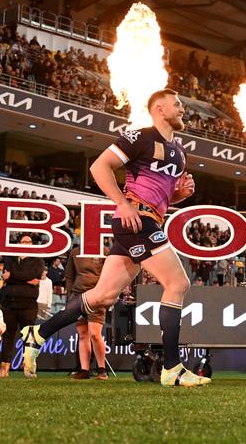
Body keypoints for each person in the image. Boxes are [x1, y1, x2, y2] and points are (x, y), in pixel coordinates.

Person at [21, 89, 210, 387]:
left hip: (146, 219)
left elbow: (161, 196)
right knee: (178, 283)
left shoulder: (179, 152)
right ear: (159, 109)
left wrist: (180, 195)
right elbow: (100, 166)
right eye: (177, 105)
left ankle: (38, 332)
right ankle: (172, 368)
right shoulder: (141, 137)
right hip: (136, 219)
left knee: (102, 296)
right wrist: (121, 203)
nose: (183, 110)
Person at [0, 234, 44, 378]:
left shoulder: (38, 260)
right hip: (9, 303)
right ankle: (4, 369)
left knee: (29, 337)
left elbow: (35, 277)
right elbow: (6, 277)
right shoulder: (10, 258)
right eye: (23, 241)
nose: (26, 244)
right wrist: (26, 279)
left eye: (29, 242)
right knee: (7, 337)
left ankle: (28, 368)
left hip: (28, 304)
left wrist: (13, 276)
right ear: (19, 243)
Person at [63, 244, 107, 380]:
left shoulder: (104, 251)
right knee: (83, 334)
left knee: (94, 333)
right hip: (78, 295)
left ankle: (102, 369)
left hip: (97, 295)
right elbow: (69, 276)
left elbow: (109, 275)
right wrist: (70, 296)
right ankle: (84, 370)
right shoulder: (75, 252)